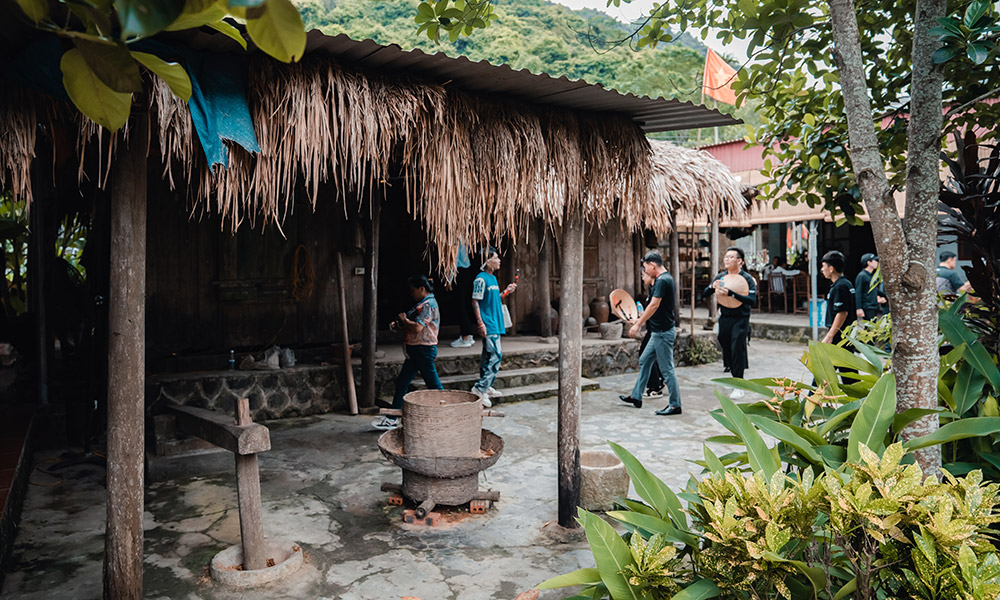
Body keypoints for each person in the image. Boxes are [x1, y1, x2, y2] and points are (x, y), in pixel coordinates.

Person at [372, 275, 442, 431]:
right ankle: (392, 418)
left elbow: (418, 327)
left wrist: (404, 321)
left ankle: (446, 413)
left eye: (413, 290)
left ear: (421, 289)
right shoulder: (422, 304)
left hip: (423, 349)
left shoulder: (428, 305)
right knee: (403, 383)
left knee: (433, 385)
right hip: (417, 349)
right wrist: (400, 323)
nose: (411, 294)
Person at [619, 250, 682, 415]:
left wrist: (638, 324)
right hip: (657, 332)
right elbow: (653, 308)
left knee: (667, 369)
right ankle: (636, 396)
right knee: (645, 360)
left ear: (653, 266)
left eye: (646, 268)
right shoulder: (662, 280)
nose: (645, 272)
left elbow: (654, 305)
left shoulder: (663, 280)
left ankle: (675, 405)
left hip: (663, 333)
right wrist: (638, 319)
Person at [702, 247, 757, 399]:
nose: (727, 259)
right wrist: (711, 287)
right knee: (724, 342)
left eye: (731, 257)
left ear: (739, 261)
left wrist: (732, 293)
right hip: (725, 317)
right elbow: (705, 293)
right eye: (726, 257)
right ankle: (733, 374)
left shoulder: (747, 278)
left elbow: (752, 300)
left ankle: (739, 384)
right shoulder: (721, 277)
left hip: (741, 318)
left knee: (737, 347)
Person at [470, 247, 516, 407]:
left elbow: (494, 298)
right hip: (488, 323)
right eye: (496, 257)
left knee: (488, 356)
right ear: (487, 261)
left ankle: (486, 386)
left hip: (496, 322)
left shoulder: (493, 279)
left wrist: (506, 292)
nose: (499, 260)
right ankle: (480, 388)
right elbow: (475, 301)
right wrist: (480, 323)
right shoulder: (480, 279)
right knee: (496, 356)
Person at [638, 271, 665, 400]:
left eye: (644, 274)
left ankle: (655, 387)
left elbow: (656, 308)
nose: (642, 277)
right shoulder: (653, 288)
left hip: (658, 329)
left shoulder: (660, 287)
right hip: (653, 328)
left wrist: (639, 322)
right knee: (654, 356)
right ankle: (659, 381)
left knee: (646, 356)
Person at [821, 250, 856, 345]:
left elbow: (842, 313)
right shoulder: (846, 283)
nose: (822, 269)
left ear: (831, 268)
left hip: (840, 335)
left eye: (823, 266)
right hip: (846, 333)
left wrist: (830, 336)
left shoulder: (839, 287)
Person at [448, 243, 476, 348]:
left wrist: (449, 278)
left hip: (459, 271)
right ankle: (468, 334)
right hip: (466, 270)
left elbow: (453, 258)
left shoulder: (454, 236)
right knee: (464, 303)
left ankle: (466, 336)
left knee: (460, 304)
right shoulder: (464, 235)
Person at [854, 253, 887, 320]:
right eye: (875, 261)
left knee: (873, 327)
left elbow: (874, 289)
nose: (877, 263)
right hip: (867, 306)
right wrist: (858, 308)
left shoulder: (872, 275)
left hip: (873, 306)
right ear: (869, 262)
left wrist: (886, 295)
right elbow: (858, 292)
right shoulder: (862, 276)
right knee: (870, 327)